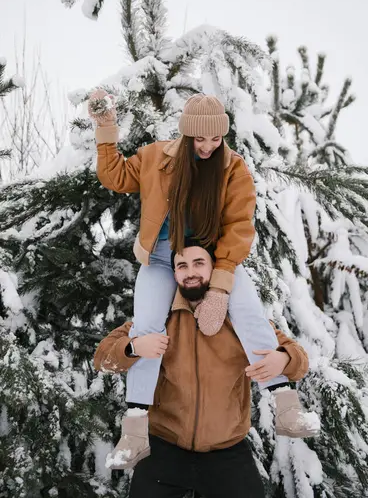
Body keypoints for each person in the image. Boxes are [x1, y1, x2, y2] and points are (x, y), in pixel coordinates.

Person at [89, 90, 314, 469]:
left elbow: (240, 226)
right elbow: (114, 175)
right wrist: (106, 127)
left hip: (212, 261)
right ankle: (135, 434)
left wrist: (222, 285)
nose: (209, 146)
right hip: (162, 259)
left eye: (216, 138)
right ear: (185, 133)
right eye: (201, 138)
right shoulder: (156, 157)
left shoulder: (233, 168)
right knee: (146, 332)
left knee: (249, 313)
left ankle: (284, 406)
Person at [94, 241, 311, 497]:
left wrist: (284, 359)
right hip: (164, 448)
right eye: (182, 265)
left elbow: (300, 361)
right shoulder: (156, 319)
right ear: (174, 274)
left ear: (213, 269)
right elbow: (102, 358)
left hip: (227, 452)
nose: (190, 272)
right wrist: (133, 347)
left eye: (199, 263)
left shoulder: (240, 321)